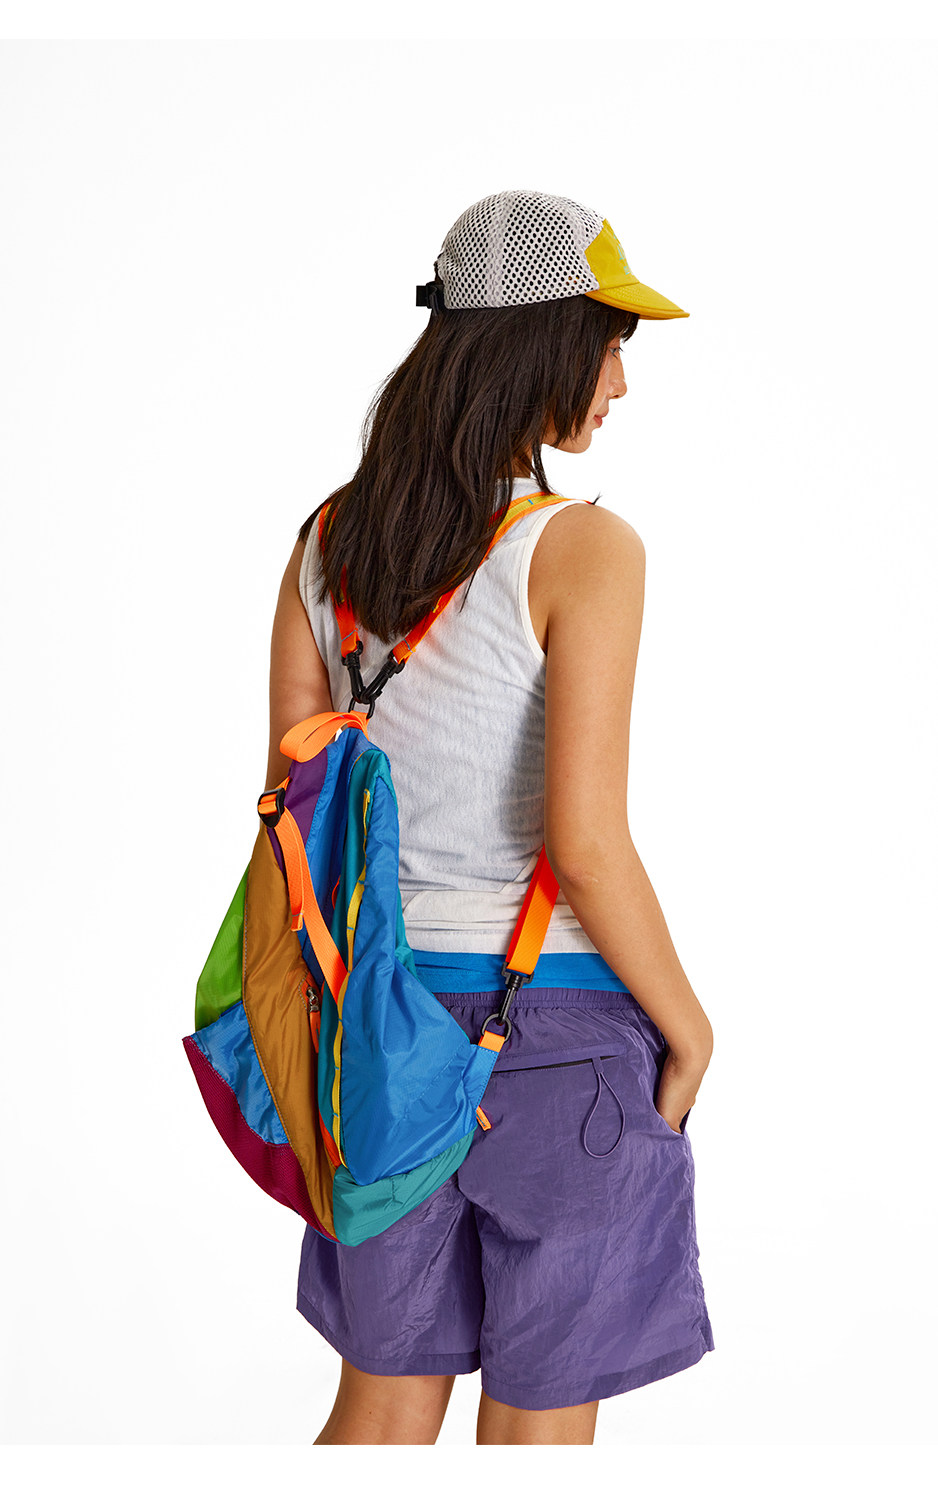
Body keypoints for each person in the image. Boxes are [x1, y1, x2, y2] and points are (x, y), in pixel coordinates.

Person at [264, 189, 715, 1445]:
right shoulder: (583, 548)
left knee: (379, 1408)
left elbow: (293, 816)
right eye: (609, 343)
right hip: (558, 1037)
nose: (618, 383)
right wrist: (689, 1030)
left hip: (377, 1027)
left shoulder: (325, 542)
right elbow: (584, 841)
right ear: (545, 341)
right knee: (536, 1434)